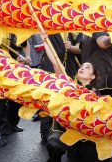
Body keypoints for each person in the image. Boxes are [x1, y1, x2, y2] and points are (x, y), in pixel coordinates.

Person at [41, 33, 105, 162]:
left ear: (92, 76)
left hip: (84, 133)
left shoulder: (95, 94)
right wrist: (45, 41)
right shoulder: (69, 83)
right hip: (63, 128)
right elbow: (55, 64)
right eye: (82, 66)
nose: (82, 68)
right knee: (53, 145)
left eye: (87, 68)